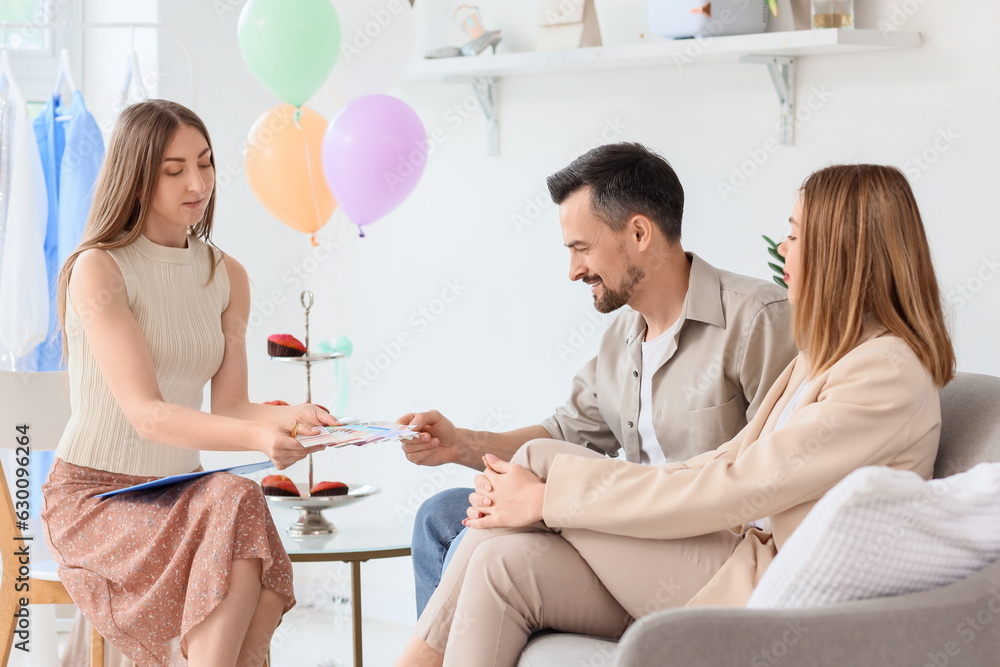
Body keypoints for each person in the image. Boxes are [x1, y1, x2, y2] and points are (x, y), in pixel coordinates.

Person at [396, 163, 956, 666]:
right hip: (724, 551)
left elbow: (739, 486)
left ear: (843, 249)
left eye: (793, 234)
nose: (783, 249)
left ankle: (415, 658)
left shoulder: (882, 372)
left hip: (770, 586)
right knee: (501, 563)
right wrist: (490, 461)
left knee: (538, 466)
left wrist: (548, 499)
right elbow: (726, 459)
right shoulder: (826, 356)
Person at [400, 142, 798, 615]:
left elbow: (781, 476)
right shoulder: (621, 339)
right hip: (623, 529)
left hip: (702, 553)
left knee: (496, 531)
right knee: (442, 516)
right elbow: (562, 433)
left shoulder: (758, 319)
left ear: (638, 233)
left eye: (581, 248)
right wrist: (459, 444)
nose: (573, 271)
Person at [40, 99, 340, 667]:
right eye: (174, 170)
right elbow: (146, 412)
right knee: (234, 501)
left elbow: (231, 405)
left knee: (236, 499)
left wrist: (292, 416)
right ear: (135, 175)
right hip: (96, 498)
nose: (197, 182)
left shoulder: (226, 275)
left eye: (204, 164)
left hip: (176, 491)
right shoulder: (99, 268)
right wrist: (259, 441)